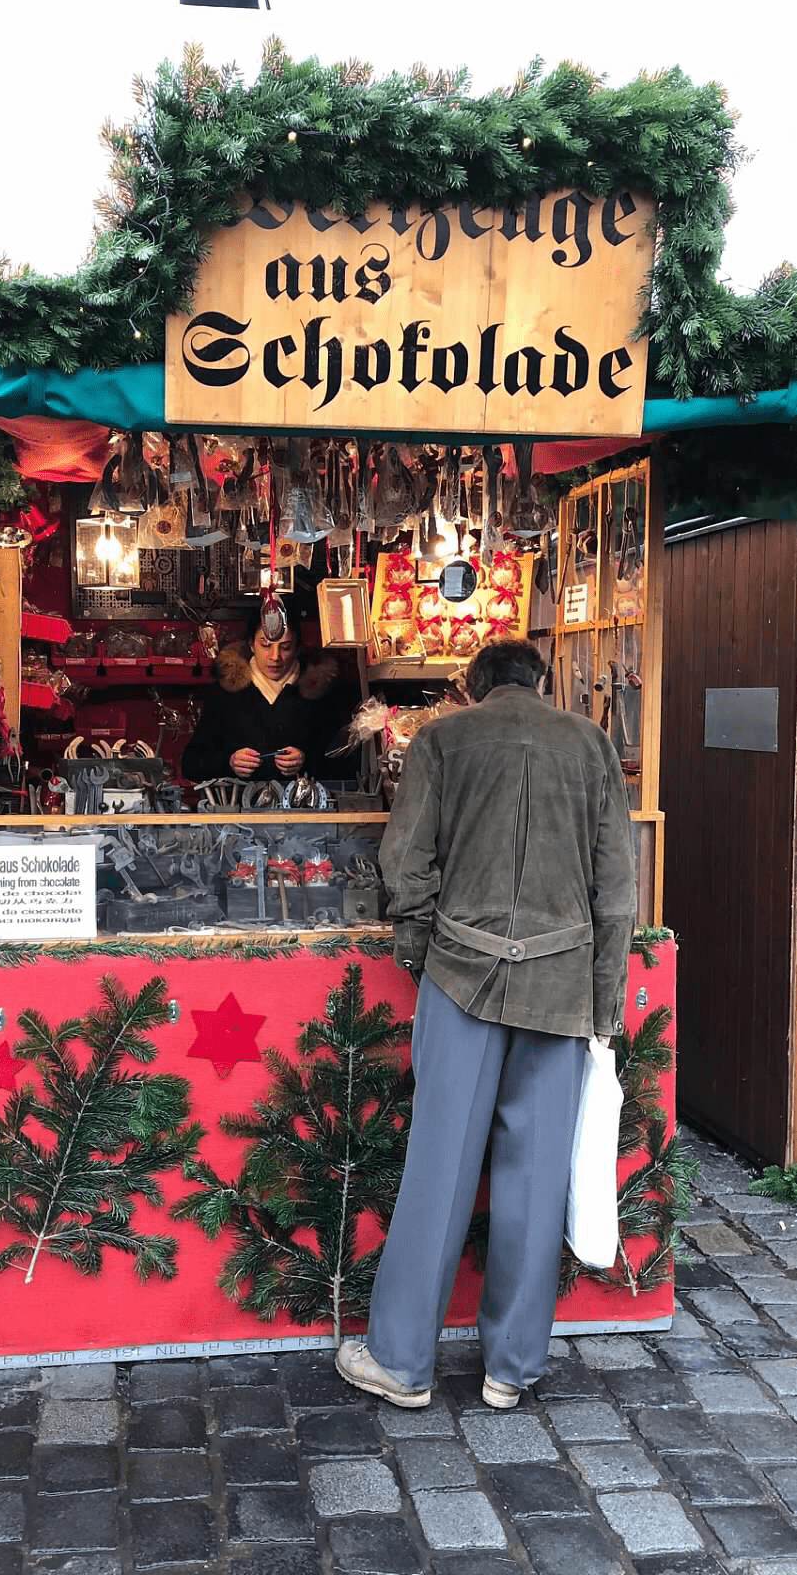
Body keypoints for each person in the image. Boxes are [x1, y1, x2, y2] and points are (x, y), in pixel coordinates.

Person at [335, 639, 636, 1411]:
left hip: (460, 974)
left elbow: (404, 863)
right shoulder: (593, 743)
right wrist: (603, 1003)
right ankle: (511, 1369)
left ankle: (402, 1364)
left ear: (471, 686)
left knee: (437, 1170)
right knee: (535, 1179)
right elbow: (615, 889)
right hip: (562, 982)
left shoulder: (441, 738)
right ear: (540, 682)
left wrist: (419, 950)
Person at [181, 600, 356, 784]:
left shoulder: (322, 694)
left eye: (285, 647)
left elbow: (347, 765)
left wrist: (306, 761)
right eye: (265, 645)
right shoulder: (225, 693)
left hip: (304, 809)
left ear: (297, 647)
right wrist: (229, 762)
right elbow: (191, 764)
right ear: (251, 645)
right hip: (240, 808)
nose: (275, 657)